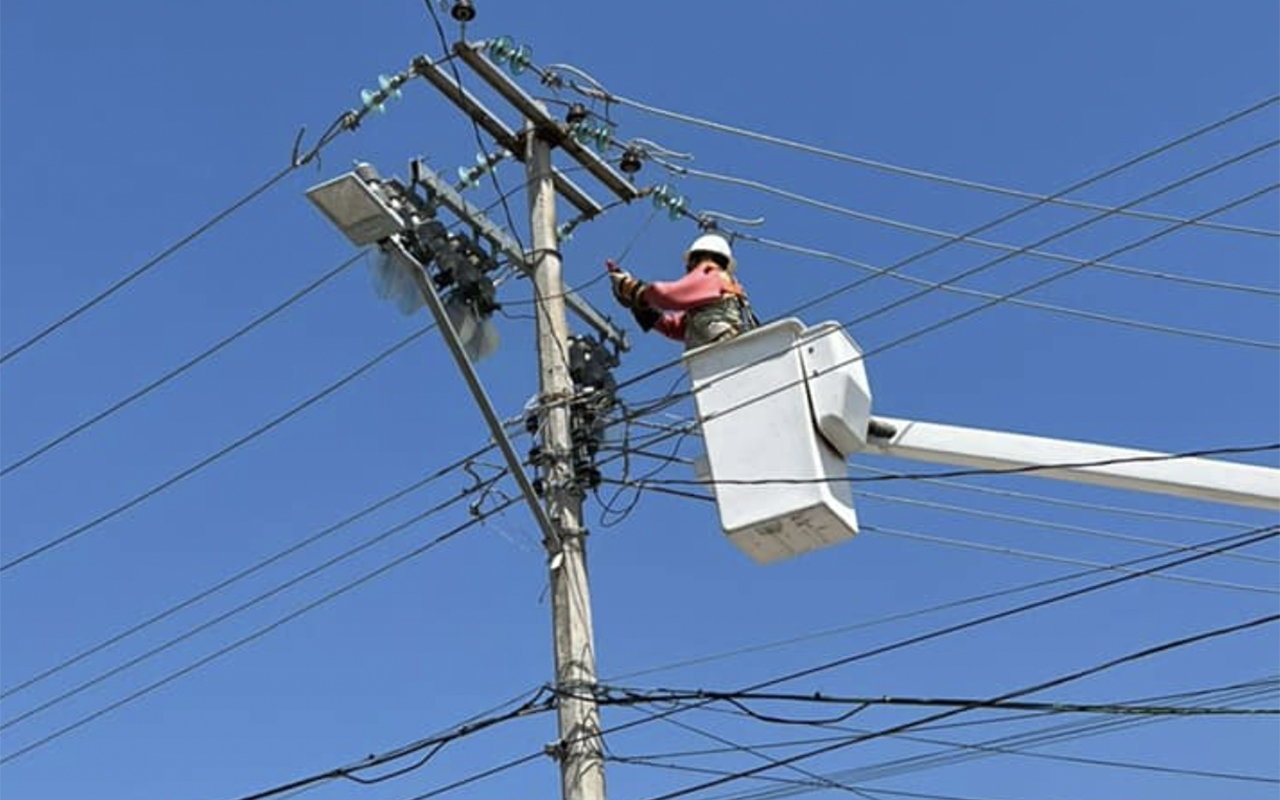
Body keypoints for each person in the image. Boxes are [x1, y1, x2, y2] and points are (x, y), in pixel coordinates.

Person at [607, 233, 759, 350]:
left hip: (722, 350)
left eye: (690, 264)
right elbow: (673, 328)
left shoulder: (711, 274)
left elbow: (665, 295)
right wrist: (637, 304)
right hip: (722, 355)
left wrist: (630, 287)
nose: (688, 270)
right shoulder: (719, 295)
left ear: (699, 259)